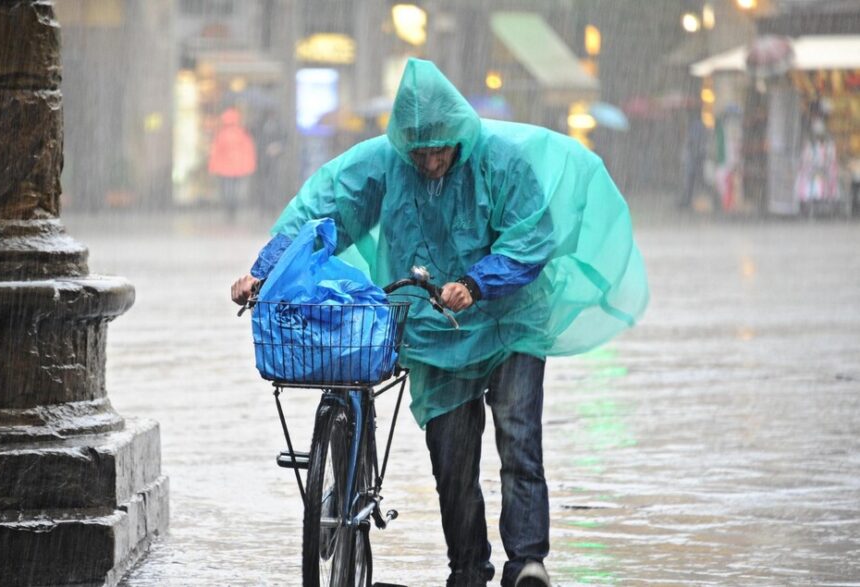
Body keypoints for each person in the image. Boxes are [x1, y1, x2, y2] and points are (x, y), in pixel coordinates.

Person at [231, 58, 648, 587]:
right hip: (435, 332)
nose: (429, 161)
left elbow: (530, 236)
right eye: (419, 151)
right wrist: (263, 271)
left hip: (511, 321)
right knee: (453, 465)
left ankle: (526, 563)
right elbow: (321, 214)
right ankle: (468, 570)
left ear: (460, 135)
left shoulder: (500, 163)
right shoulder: (384, 165)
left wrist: (476, 284)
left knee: (518, 437)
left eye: (439, 149)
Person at [208, 107, 257, 221]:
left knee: (227, 190)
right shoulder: (242, 133)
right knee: (235, 190)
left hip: (224, 168)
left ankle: (229, 209)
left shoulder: (221, 134)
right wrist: (249, 165)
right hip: (238, 168)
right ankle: (233, 209)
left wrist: (213, 166)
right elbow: (248, 151)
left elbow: (216, 152)